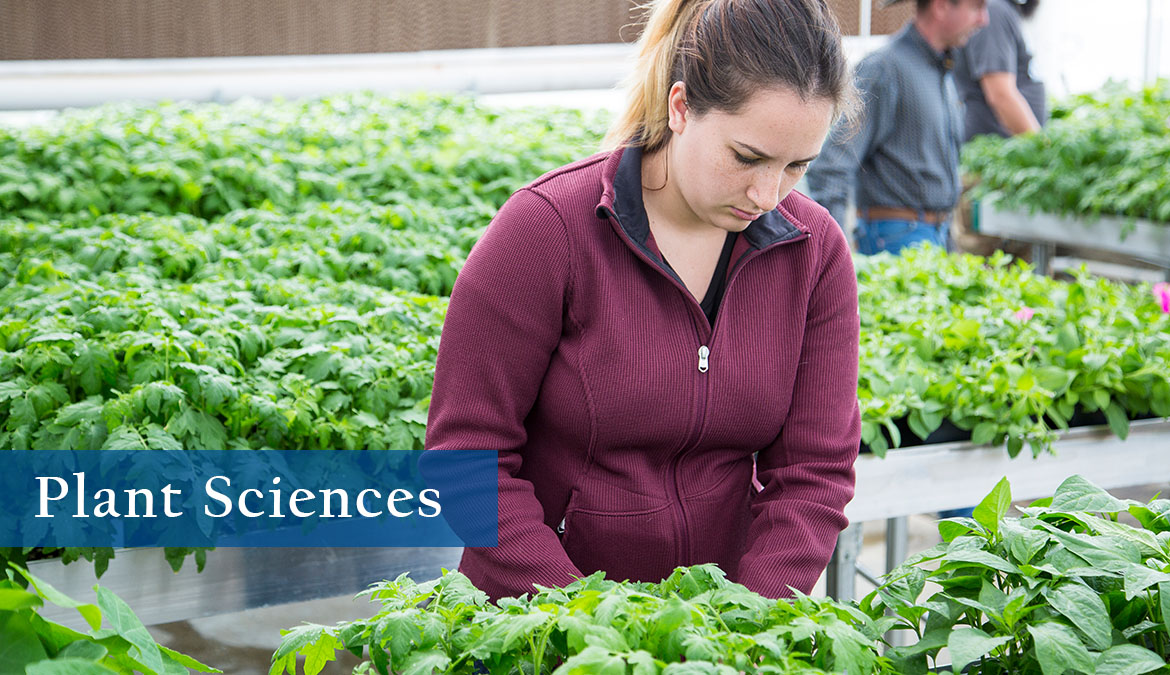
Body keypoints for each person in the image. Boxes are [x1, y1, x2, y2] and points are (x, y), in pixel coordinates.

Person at [425, 0, 862, 601]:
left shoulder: (813, 255)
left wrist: (751, 625)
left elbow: (813, 474)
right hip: (537, 631)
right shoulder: (547, 230)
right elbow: (465, 461)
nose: (767, 194)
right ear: (681, 107)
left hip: (717, 640)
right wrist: (582, 624)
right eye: (747, 157)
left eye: (796, 167)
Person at [804, 0, 990, 255]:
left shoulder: (941, 70)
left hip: (936, 233)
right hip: (895, 237)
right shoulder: (884, 68)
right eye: (977, 7)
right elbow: (830, 168)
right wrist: (834, 256)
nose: (984, 20)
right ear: (942, 6)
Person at [953, 0, 1044, 141]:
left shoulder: (1003, 9)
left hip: (1010, 146)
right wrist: (1041, 148)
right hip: (1001, 149)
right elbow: (1001, 95)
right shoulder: (995, 12)